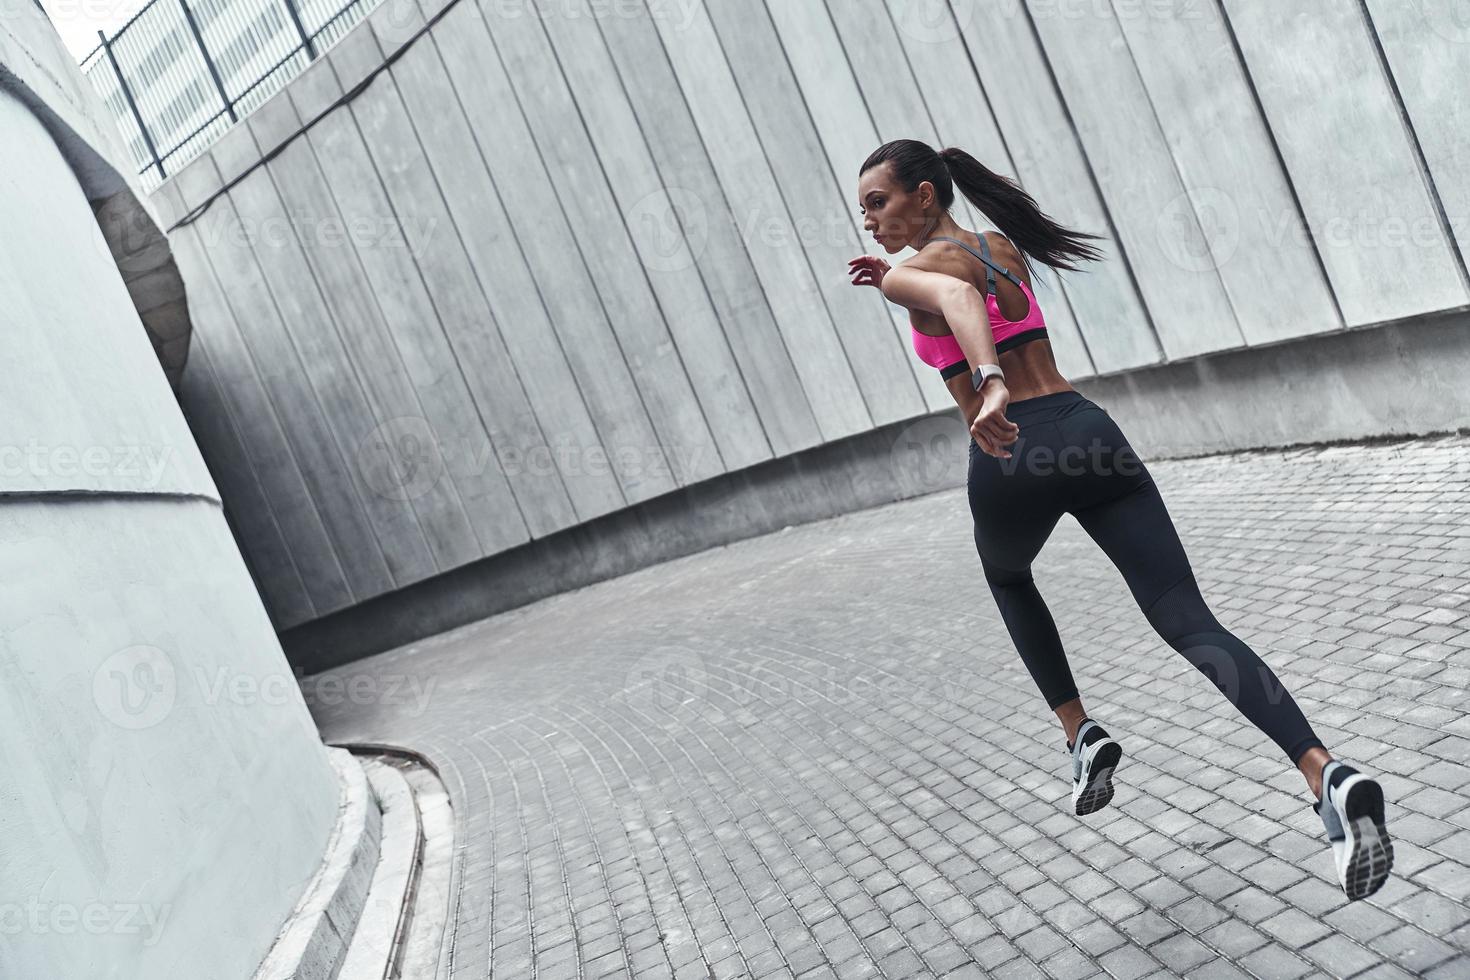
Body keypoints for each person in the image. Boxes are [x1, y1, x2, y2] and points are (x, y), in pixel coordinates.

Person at [848, 139, 1393, 901]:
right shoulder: (1000, 245)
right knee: (1186, 617)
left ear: (926, 195)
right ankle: (1324, 774)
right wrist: (904, 283)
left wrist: (990, 384)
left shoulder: (915, 273)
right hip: (1089, 429)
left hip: (1013, 451)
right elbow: (970, 285)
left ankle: (1079, 733)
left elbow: (959, 303)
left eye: (879, 202)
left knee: (1007, 577)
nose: (867, 219)